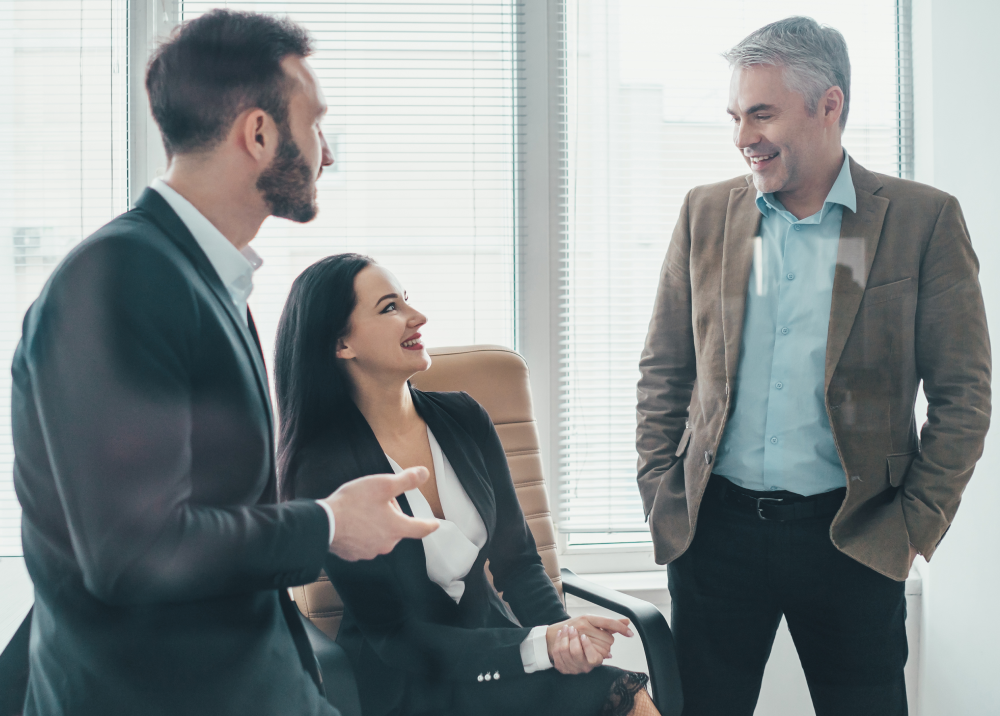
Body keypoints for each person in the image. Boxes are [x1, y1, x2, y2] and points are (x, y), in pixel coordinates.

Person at [11, 10, 439, 716]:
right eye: (315, 124)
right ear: (259, 133)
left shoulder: (200, 279)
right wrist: (329, 525)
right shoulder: (119, 279)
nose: (327, 154)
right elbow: (135, 552)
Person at [636, 16, 990, 716]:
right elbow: (665, 369)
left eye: (762, 113)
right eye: (736, 117)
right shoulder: (706, 213)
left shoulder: (921, 221)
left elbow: (963, 396)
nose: (744, 136)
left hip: (853, 536)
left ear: (829, 105)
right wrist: (659, 488)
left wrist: (912, 528)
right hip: (716, 535)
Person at [274, 254, 662, 716]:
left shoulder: (464, 417)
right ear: (342, 343)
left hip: (498, 651)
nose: (417, 316)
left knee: (623, 695)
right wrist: (537, 645)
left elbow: (518, 563)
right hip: (408, 682)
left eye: (407, 300)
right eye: (389, 307)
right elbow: (395, 635)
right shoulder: (321, 468)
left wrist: (565, 637)